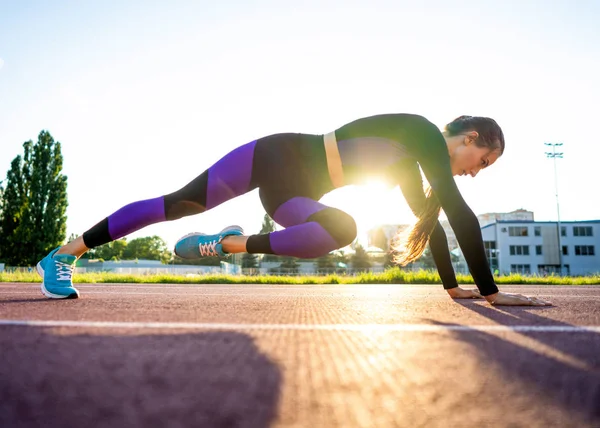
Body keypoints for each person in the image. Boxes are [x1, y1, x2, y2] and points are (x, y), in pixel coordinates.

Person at [37, 113, 551, 306]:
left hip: (288, 199)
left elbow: (433, 223)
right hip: (271, 154)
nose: (475, 170)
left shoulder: (410, 167)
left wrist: (455, 288)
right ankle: (65, 252)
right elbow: (459, 212)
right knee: (174, 205)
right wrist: (492, 293)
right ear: (468, 137)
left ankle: (227, 245)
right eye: (482, 159)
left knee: (342, 227)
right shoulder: (421, 131)